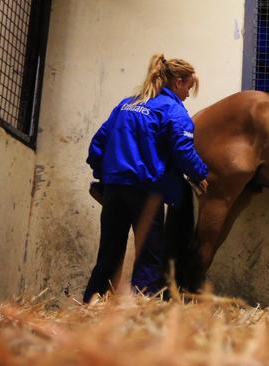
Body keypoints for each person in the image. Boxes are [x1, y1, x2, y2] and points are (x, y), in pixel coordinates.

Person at [83, 54, 208, 303]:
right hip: (146, 191)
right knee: (149, 255)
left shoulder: (125, 105)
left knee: (109, 252)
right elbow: (183, 150)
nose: (187, 95)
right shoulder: (173, 110)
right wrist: (201, 173)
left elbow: (97, 144)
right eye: (188, 88)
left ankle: (91, 304)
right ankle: (141, 309)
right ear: (178, 83)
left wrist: (105, 175)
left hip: (114, 190)